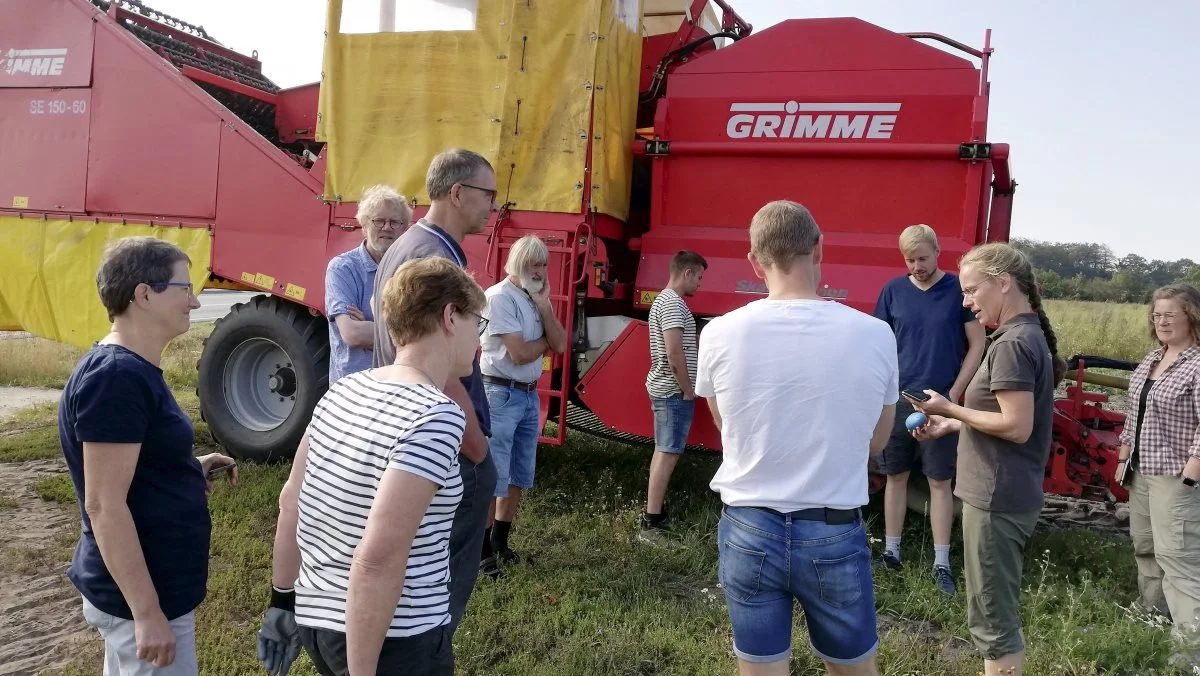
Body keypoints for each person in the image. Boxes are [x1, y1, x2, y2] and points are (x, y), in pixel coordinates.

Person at [257, 257, 487, 676]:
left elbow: (291, 501)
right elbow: (378, 559)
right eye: (479, 324)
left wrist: (281, 601)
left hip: (316, 620)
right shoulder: (436, 415)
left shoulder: (343, 390)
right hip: (393, 639)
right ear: (450, 316)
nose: (480, 340)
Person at [695, 200, 897, 676]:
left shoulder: (719, 333)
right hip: (832, 527)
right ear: (819, 248)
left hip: (749, 526)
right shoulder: (876, 334)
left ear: (754, 261)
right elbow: (875, 444)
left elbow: (725, 425)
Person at [59, 235, 237, 675]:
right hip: (141, 595)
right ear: (144, 293)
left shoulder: (128, 371)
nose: (194, 303)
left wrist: (184, 468)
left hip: (151, 588)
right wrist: (146, 613)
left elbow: (129, 472)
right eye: (185, 288)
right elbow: (103, 504)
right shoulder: (117, 378)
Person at [910, 242, 1066, 676]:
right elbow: (1005, 419)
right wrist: (955, 426)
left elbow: (1016, 427)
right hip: (1002, 492)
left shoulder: (1014, 343)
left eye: (972, 289)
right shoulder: (1021, 335)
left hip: (997, 498)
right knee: (992, 609)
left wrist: (949, 409)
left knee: (993, 621)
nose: (965, 300)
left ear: (1003, 283)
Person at [371, 147, 499, 630]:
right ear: (457, 192)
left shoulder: (407, 246)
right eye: (488, 195)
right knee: (439, 588)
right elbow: (444, 374)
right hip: (447, 442)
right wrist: (479, 452)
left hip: (413, 424)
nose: (493, 207)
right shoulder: (434, 258)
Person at [871, 224, 985, 594]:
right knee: (896, 476)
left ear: (937, 252)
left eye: (923, 258)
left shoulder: (956, 291)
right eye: (910, 259)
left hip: (941, 402)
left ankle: (941, 561)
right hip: (900, 401)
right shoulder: (893, 291)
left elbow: (977, 344)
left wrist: (954, 393)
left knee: (939, 481)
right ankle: (891, 551)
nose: (917, 266)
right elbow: (879, 345)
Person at [1114, 282, 1200, 661]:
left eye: (1170, 314)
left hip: (1176, 475)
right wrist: (1123, 455)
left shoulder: (1197, 363)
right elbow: (1134, 412)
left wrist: (1191, 474)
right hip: (1141, 470)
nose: (1162, 321)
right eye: (1157, 314)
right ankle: (1152, 612)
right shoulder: (1153, 358)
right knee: (1145, 546)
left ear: (1191, 317)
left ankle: (1190, 646)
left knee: (1178, 556)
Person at [477, 234, 567, 574]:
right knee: (494, 474)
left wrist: (544, 307)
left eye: (544, 263)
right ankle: (482, 551)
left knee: (518, 473)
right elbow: (519, 354)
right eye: (535, 263)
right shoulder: (499, 297)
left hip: (528, 393)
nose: (542, 270)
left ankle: (501, 542)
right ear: (517, 264)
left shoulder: (536, 297)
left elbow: (559, 345)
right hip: (499, 393)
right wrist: (545, 339)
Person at [638, 249, 707, 546]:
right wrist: (688, 389)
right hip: (672, 391)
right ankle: (651, 523)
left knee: (663, 451)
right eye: (699, 278)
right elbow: (674, 352)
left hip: (667, 389)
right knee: (668, 452)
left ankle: (653, 514)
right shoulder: (673, 305)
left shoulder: (664, 301)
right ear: (687, 272)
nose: (700, 285)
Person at [325, 184, 412, 385]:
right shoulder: (342, 269)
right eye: (379, 221)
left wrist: (371, 327)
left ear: (404, 228)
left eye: (395, 222)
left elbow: (424, 336)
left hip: (396, 386)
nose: (387, 228)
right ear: (364, 225)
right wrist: (401, 335)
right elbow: (352, 334)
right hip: (354, 389)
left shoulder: (409, 270)